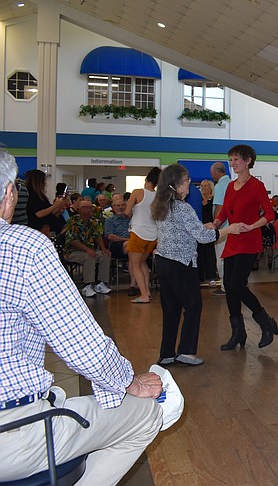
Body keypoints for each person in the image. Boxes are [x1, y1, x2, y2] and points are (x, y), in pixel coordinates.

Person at [0, 149, 163, 485]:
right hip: (11, 433)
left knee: (103, 258)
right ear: (8, 195)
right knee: (149, 413)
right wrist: (126, 382)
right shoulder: (22, 247)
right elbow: (80, 345)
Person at [152, 164, 241, 366]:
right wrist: (229, 230)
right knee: (193, 306)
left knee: (171, 309)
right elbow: (203, 238)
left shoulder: (161, 205)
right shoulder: (183, 208)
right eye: (186, 181)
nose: (189, 184)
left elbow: (183, 230)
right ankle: (186, 352)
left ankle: (166, 353)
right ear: (175, 185)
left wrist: (205, 226)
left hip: (164, 262)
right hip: (181, 264)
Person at [212, 144, 278, 349]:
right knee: (230, 288)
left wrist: (252, 226)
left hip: (249, 242)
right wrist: (215, 224)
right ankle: (238, 333)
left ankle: (265, 322)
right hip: (232, 240)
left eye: (236, 159)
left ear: (248, 160)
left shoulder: (256, 186)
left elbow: (269, 214)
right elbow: (224, 213)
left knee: (236, 285)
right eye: (231, 159)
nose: (232, 163)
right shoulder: (231, 186)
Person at [64, 199, 112, 298]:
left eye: (91, 207)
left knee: (105, 255)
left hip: (90, 250)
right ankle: (87, 285)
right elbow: (72, 240)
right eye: (86, 207)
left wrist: (103, 248)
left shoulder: (94, 221)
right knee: (89, 256)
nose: (90, 209)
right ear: (79, 209)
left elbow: (98, 236)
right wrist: (87, 249)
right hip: (73, 251)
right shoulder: (73, 221)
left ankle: (100, 283)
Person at [126, 167, 160, 304]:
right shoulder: (159, 196)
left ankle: (144, 295)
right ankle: (148, 292)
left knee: (135, 265)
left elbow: (127, 212)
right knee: (142, 263)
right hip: (153, 235)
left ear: (146, 179)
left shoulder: (137, 192)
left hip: (138, 232)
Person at [104, 193, 138, 295]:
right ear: (113, 208)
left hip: (133, 245)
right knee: (132, 247)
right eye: (118, 206)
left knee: (133, 251)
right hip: (117, 245)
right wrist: (127, 239)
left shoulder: (132, 218)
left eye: (123, 205)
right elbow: (110, 236)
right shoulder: (110, 220)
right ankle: (140, 275)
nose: (121, 207)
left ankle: (133, 284)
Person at [210, 161, 231, 296]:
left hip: (222, 227)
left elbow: (219, 208)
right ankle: (231, 284)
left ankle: (224, 286)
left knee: (221, 257)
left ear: (216, 173)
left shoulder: (219, 186)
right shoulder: (232, 183)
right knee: (230, 258)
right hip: (232, 227)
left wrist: (214, 227)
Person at [24, 168, 65, 235]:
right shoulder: (32, 195)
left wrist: (57, 208)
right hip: (36, 230)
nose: (45, 184)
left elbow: (47, 213)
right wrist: (55, 206)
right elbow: (38, 214)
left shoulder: (39, 196)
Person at [198, 179, 218, 287]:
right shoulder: (198, 200)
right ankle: (200, 276)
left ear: (210, 188)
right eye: (202, 185)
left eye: (206, 185)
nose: (203, 187)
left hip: (210, 229)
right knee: (199, 253)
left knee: (210, 253)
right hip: (200, 229)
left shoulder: (213, 201)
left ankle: (211, 277)